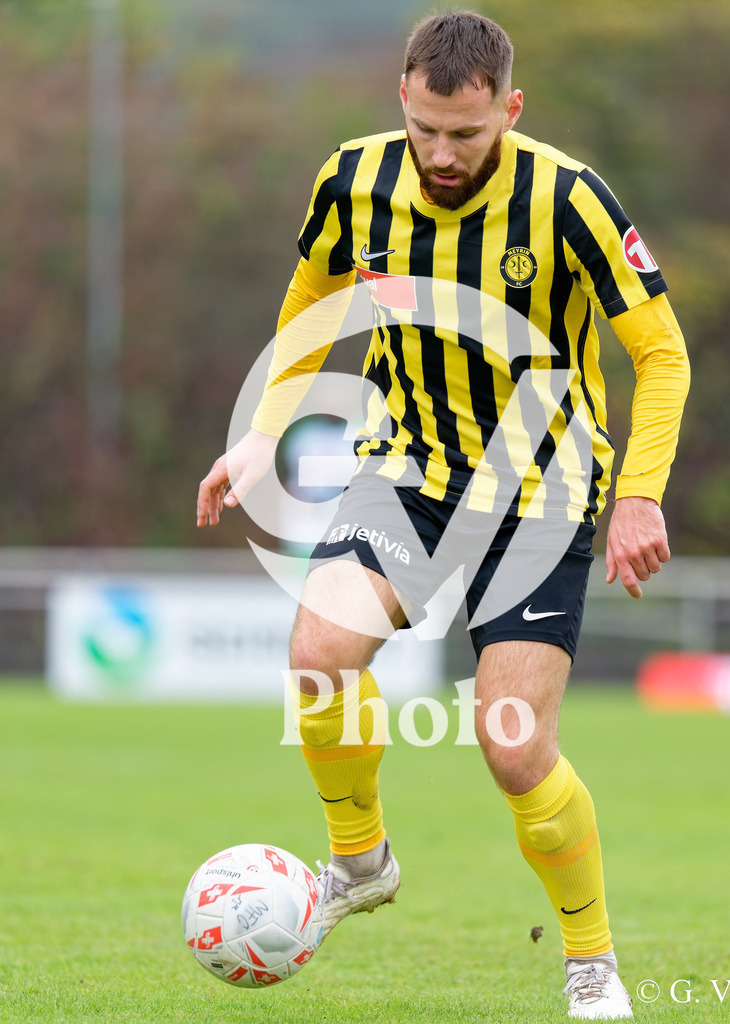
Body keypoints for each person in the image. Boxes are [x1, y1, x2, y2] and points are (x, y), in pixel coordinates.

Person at [197, 11, 689, 1019]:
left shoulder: (570, 199)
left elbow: (662, 353)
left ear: (508, 110)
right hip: (406, 472)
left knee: (512, 747)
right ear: (403, 99)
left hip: (542, 491)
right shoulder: (354, 179)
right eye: (425, 129)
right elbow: (310, 297)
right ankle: (359, 861)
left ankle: (589, 959)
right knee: (318, 651)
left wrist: (638, 489)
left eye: (465, 135)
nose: (442, 153)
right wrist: (261, 430)